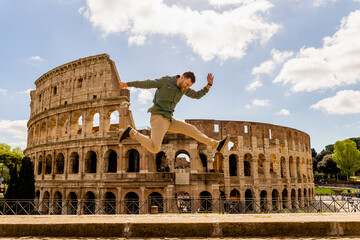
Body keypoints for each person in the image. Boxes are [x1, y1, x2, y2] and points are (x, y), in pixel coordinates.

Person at [118, 71, 229, 154]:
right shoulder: (166, 81)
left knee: (192, 130)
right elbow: (147, 83)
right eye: (186, 84)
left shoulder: (183, 89)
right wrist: (127, 84)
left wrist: (208, 85)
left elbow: (197, 95)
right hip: (158, 117)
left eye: (189, 86)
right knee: (155, 149)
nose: (186, 87)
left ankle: (217, 145)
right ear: (182, 78)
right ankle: (131, 132)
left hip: (169, 119)